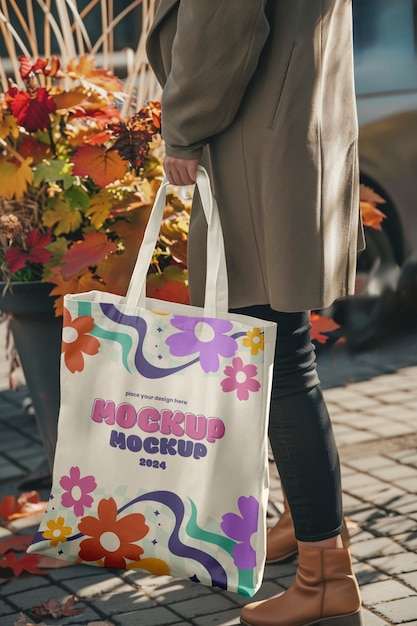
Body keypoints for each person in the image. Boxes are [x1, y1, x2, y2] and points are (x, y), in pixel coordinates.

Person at [146, 2, 364, 625]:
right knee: (283, 349)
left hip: (255, 142)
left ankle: (326, 574)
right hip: (294, 126)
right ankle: (306, 524)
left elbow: (224, 21)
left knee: (280, 361)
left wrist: (183, 126)